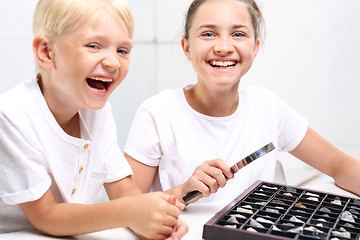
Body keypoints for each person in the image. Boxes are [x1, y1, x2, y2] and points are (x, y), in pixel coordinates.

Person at [124, 0, 360, 205]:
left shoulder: (267, 106)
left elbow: (340, 165)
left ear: (255, 47)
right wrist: (182, 192)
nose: (224, 47)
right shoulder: (157, 113)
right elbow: (125, 209)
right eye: (208, 34)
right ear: (187, 48)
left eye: (238, 34)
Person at [0, 0, 188, 239]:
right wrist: (130, 213)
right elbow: (45, 216)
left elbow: (123, 192)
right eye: (93, 46)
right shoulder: (12, 115)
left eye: (122, 50)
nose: (113, 62)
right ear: (47, 52)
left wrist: (156, 219)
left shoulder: (98, 114)